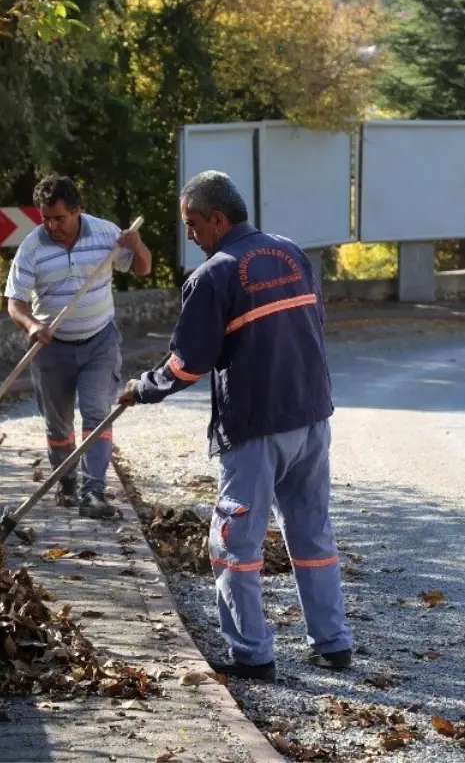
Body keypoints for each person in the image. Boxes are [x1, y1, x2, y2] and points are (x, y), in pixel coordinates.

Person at [117, 170, 352, 681]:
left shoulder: (214, 275)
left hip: (255, 426)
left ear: (217, 218)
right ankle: (333, 644)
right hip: (312, 418)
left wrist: (142, 389)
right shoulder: (291, 253)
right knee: (312, 533)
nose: (191, 235)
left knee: (234, 544)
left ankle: (252, 654)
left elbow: (188, 363)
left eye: (193, 224)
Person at [5, 174, 153, 519]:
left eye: (59, 218)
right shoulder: (32, 248)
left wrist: (137, 245)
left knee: (96, 414)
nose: (52, 225)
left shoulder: (105, 235)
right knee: (57, 426)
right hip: (51, 348)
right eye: (46, 218)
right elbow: (15, 302)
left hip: (99, 341)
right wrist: (32, 325)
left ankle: (94, 492)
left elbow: (143, 269)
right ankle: (66, 481)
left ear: (78, 211)